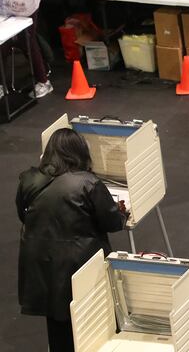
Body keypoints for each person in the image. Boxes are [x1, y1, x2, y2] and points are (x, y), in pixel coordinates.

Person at [16, 128, 128, 352]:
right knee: (93, 325)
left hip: (41, 264)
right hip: (80, 266)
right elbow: (112, 223)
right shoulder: (88, 183)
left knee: (58, 326)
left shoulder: (28, 180)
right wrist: (121, 213)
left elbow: (23, 215)